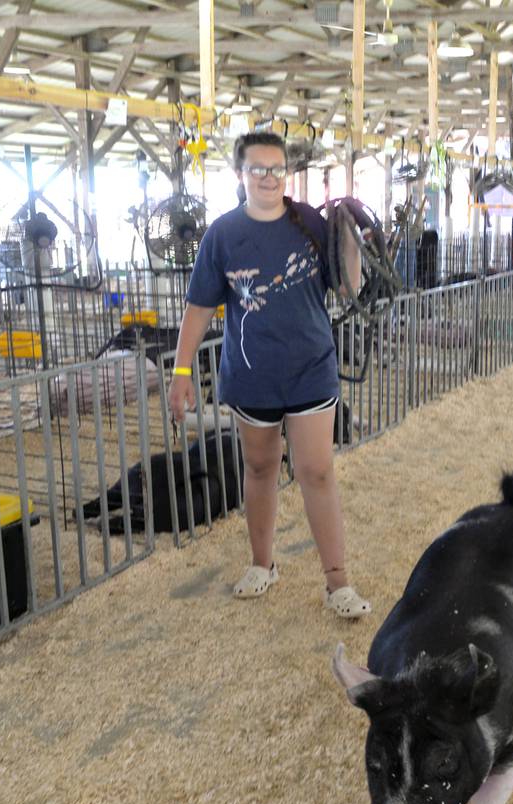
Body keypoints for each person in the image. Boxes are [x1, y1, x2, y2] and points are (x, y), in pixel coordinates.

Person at [167, 131, 372, 619]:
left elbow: (348, 287)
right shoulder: (222, 234)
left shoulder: (310, 223)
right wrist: (180, 371)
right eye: (257, 169)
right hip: (252, 373)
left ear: (287, 173)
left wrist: (350, 242)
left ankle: (337, 582)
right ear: (240, 175)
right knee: (259, 468)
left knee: (316, 471)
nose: (267, 177)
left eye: (276, 168)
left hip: (311, 370)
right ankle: (263, 564)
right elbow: (199, 307)